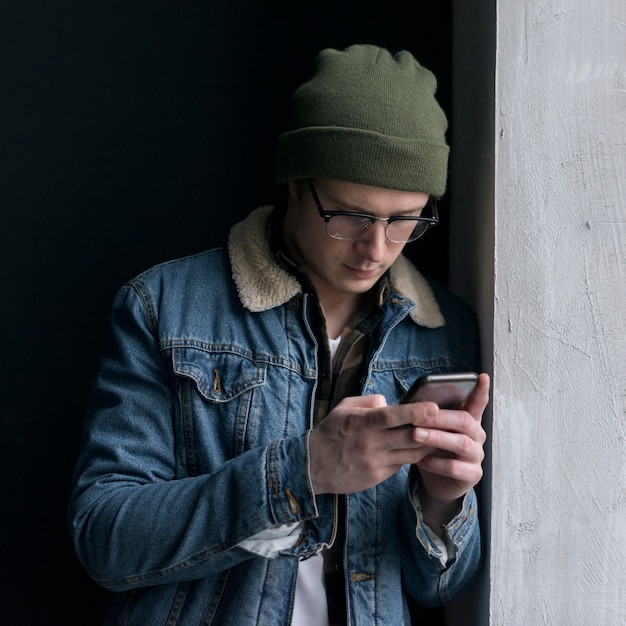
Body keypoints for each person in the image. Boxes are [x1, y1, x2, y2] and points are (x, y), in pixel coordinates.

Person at [68, 44, 489, 625]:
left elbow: (437, 588)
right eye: (350, 215)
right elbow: (105, 539)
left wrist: (443, 503)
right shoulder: (164, 307)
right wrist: (304, 470)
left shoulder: (445, 332)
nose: (376, 248)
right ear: (295, 182)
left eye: (403, 220)